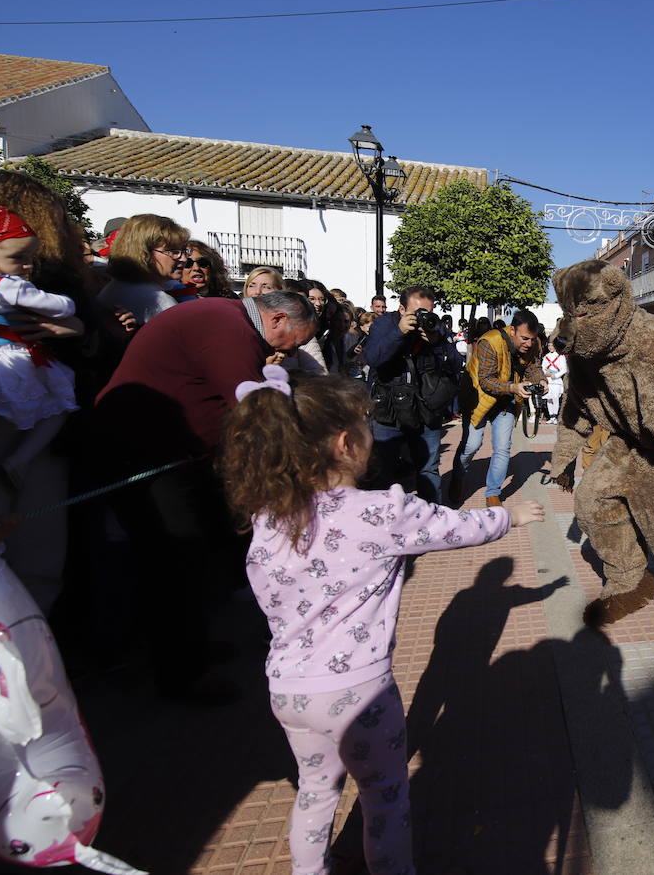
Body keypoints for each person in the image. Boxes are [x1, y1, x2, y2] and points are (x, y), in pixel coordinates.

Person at [219, 368, 544, 875]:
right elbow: (457, 527)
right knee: (385, 796)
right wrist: (511, 516)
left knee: (314, 791)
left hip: (288, 688)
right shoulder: (379, 511)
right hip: (359, 691)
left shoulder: (269, 515)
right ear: (347, 443)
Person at [94, 290, 318, 704]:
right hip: (150, 457)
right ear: (279, 320)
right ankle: (181, 675)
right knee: (176, 562)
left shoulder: (226, 317)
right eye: (298, 341)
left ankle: (193, 648)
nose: (294, 351)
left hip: (178, 457)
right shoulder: (228, 328)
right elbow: (251, 411)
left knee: (200, 556)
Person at [0, 202, 79, 488]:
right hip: (10, 357)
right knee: (62, 400)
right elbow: (62, 306)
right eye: (19, 258)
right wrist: (65, 305)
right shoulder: (10, 285)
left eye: (30, 257)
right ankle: (21, 459)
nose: (27, 265)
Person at [364, 286, 461, 503]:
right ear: (401, 309)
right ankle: (386, 524)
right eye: (417, 313)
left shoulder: (436, 327)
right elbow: (373, 358)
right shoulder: (385, 324)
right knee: (384, 471)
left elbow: (456, 364)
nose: (423, 317)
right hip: (389, 409)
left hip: (426, 409)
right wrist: (398, 332)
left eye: (428, 312)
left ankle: (432, 522)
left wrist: (437, 342)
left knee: (428, 470)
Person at [451, 308, 543, 507]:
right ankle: (458, 477)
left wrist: (541, 381)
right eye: (524, 338)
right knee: (471, 445)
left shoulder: (533, 344)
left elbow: (533, 367)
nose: (529, 343)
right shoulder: (489, 341)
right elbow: (485, 381)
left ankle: (493, 492)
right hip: (479, 399)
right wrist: (512, 387)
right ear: (512, 330)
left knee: (502, 448)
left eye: (532, 339)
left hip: (506, 402)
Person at [95, 213, 187, 327]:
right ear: (145, 253)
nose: (183, 259)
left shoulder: (115, 287)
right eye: (174, 251)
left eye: (183, 251)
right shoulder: (158, 301)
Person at [540, 342, 567, 421]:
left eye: (552, 345)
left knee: (555, 398)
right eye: (549, 345)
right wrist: (546, 373)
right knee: (549, 398)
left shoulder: (561, 356)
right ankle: (551, 416)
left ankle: (555, 416)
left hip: (556, 380)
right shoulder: (546, 356)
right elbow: (543, 367)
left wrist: (555, 375)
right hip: (548, 380)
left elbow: (564, 369)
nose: (550, 347)